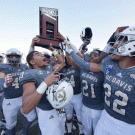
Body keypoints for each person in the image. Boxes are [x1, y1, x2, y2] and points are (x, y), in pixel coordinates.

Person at [61, 26, 135, 135]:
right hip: (105, 116)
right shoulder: (109, 63)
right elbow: (84, 64)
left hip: (127, 125)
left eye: (119, 41)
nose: (115, 45)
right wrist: (69, 50)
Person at [19, 39, 66, 135]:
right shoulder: (29, 73)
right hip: (47, 111)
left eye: (42, 54)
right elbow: (26, 108)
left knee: (61, 132)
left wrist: (53, 50)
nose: (43, 55)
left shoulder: (49, 67)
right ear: (32, 62)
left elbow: (62, 64)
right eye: (38, 55)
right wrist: (45, 84)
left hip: (60, 108)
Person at [0, 48, 36, 135]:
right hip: (10, 100)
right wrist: (5, 84)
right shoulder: (4, 67)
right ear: (7, 57)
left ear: (19, 57)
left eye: (16, 56)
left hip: (23, 97)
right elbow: (0, 84)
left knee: (32, 117)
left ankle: (24, 132)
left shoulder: (24, 66)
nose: (13, 58)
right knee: (10, 125)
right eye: (11, 56)